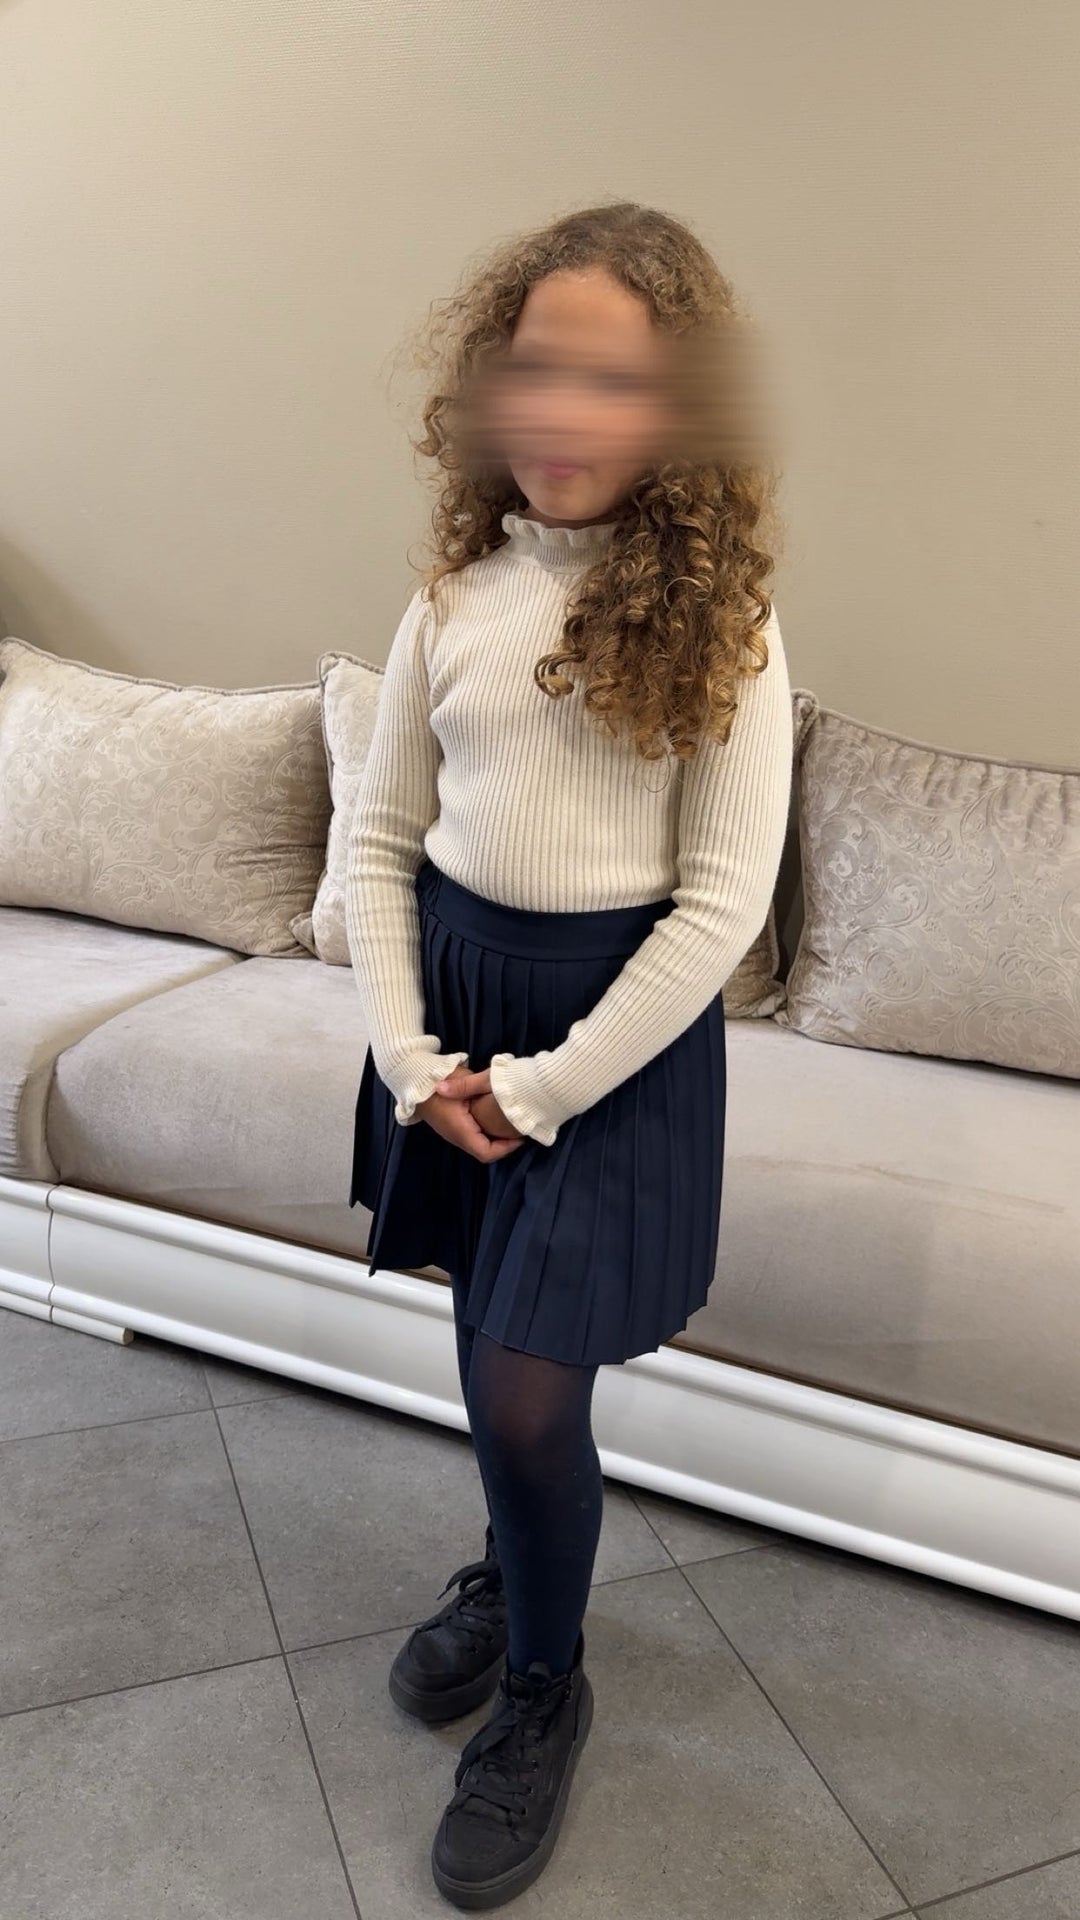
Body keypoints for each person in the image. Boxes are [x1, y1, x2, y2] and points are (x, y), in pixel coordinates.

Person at [345, 199, 793, 1911]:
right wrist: (415, 1063)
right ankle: (515, 1570)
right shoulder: (452, 595)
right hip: (453, 1024)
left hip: (608, 1051)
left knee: (532, 1394)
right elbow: (381, 840)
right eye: (536, 367)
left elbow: (722, 905)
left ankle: (545, 1681)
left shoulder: (729, 627)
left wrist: (535, 1093)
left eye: (614, 379)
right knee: (488, 1350)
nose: (561, 411)